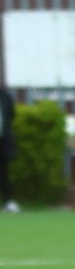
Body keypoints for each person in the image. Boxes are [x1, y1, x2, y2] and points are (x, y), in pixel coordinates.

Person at [0, 83, 17, 213]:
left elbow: (12, 115)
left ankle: (8, 202)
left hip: (3, 141)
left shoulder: (5, 97)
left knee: (4, 173)